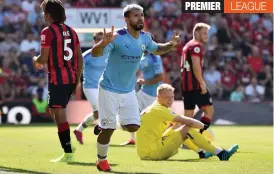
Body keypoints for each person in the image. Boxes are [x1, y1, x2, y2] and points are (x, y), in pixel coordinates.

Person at [91, 4, 181, 172]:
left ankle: (105, 124)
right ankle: (101, 160)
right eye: (135, 16)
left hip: (128, 91)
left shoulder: (145, 38)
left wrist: (171, 44)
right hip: (108, 88)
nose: (140, 18)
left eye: (142, 15)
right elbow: (96, 54)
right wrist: (103, 43)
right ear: (127, 19)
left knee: (133, 126)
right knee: (108, 130)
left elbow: (158, 49)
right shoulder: (117, 37)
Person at [33, 0, 83, 163]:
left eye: (44, 13)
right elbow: (79, 57)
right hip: (71, 78)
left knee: (59, 113)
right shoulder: (72, 31)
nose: (43, 16)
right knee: (55, 110)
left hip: (58, 78)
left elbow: (44, 58)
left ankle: (68, 152)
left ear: (48, 14)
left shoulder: (47, 32)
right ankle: (68, 144)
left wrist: (36, 59)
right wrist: (77, 80)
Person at [136, 84, 238, 161]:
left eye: (172, 97)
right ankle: (220, 153)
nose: (170, 100)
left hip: (147, 150)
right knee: (186, 128)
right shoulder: (159, 109)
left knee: (179, 125)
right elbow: (188, 121)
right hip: (152, 152)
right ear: (158, 97)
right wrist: (205, 127)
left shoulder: (155, 107)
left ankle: (202, 152)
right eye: (167, 98)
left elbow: (177, 123)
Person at [121, 51, 164, 146]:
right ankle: (132, 139)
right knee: (131, 112)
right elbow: (137, 71)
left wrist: (145, 82)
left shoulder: (155, 57)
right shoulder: (142, 56)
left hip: (153, 94)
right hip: (143, 92)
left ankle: (159, 139)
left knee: (154, 120)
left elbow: (160, 77)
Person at [74, 32, 107, 145]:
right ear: (94, 41)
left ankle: (79, 130)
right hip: (90, 87)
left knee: (98, 114)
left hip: (103, 87)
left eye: (102, 39)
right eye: (98, 39)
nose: (100, 41)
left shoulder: (108, 54)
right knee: (99, 112)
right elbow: (76, 69)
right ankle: (102, 133)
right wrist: (75, 84)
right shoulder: (87, 55)